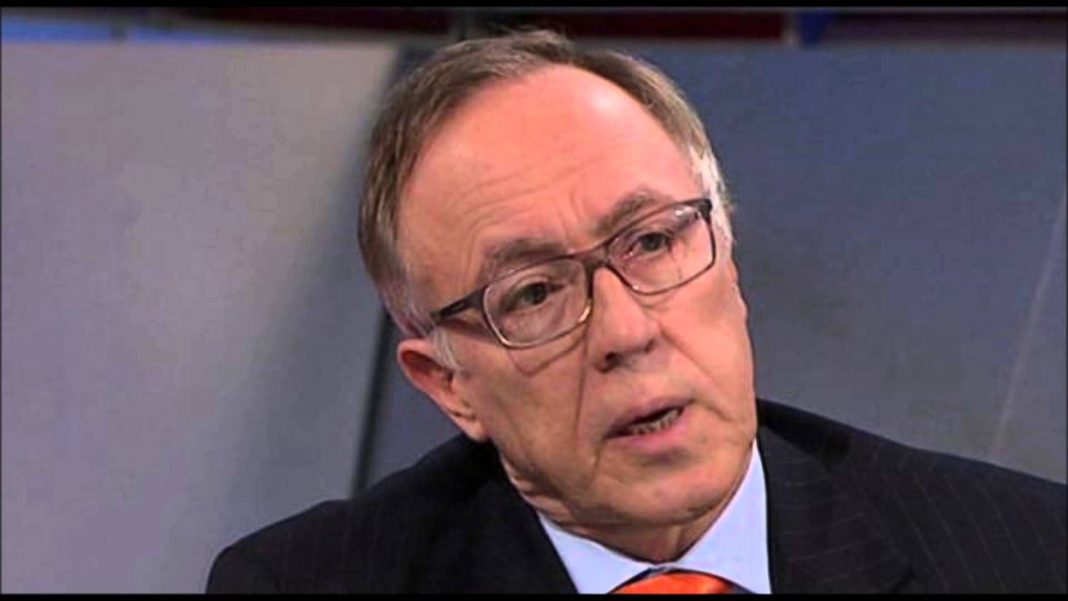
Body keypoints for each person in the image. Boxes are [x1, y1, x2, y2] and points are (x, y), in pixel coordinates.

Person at [206, 29, 1066, 594]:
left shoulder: (1023, 553)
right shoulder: (305, 582)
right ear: (448, 383)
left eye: (652, 242)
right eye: (534, 293)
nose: (626, 330)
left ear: (728, 256)